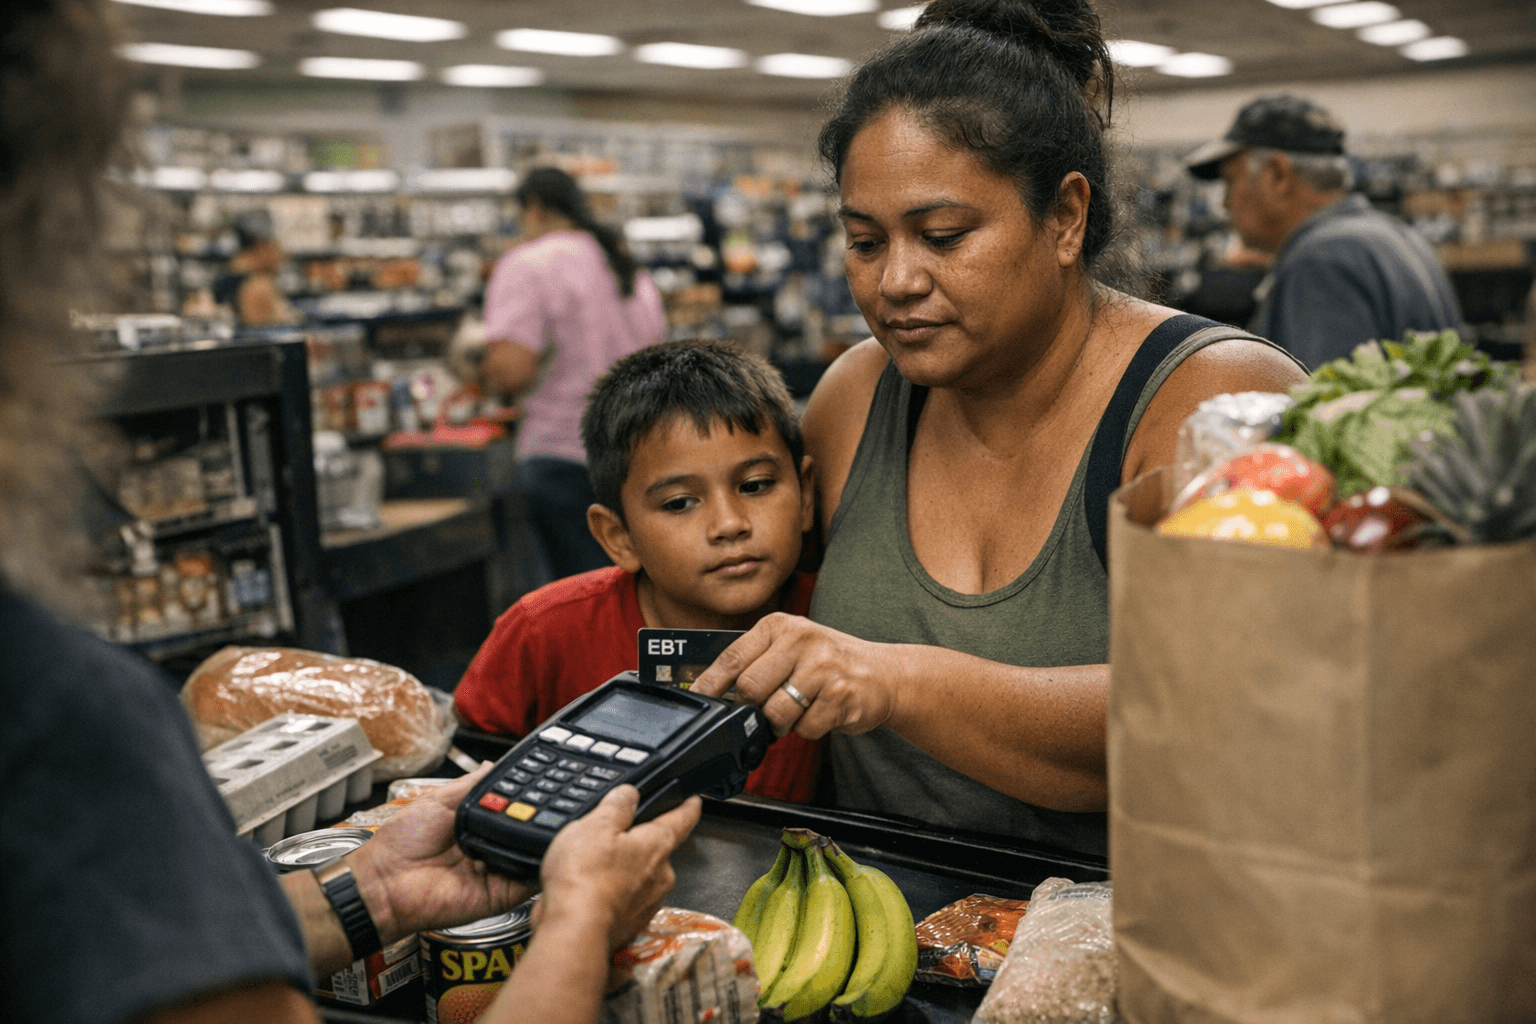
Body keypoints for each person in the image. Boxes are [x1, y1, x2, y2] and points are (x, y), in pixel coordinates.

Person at [0, 4, 699, 1024]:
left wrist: (373, 891)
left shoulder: (53, 718)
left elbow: (505, 364)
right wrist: (578, 922)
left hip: (556, 456)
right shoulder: (55, 724)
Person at [688, 0, 1308, 858]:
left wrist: (895, 679)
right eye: (865, 242)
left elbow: (1233, 711)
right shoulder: (856, 396)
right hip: (874, 931)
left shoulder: (1213, 404)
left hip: (1138, 935)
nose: (896, 280)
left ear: (1064, 218)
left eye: (943, 236)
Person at [456, 340, 822, 803]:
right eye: (679, 503)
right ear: (618, 537)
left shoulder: (836, 625)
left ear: (805, 494)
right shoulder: (544, 631)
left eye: (755, 486)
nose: (730, 524)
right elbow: (466, 764)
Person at [1185, 94, 1462, 370]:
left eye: (1231, 181)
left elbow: (1327, 407)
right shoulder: (1391, 234)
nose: (1224, 203)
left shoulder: (1320, 261)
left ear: (1277, 175)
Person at [483, 168, 667, 580]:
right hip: (637, 451)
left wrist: (481, 365)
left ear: (533, 207)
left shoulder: (528, 264)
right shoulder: (624, 263)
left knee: (580, 604)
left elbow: (512, 368)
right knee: (636, 593)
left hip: (563, 455)